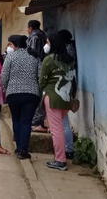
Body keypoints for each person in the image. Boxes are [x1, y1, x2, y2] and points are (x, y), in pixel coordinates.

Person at [39, 33, 77, 171]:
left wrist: (43, 90)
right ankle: (68, 151)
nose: (46, 44)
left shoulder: (49, 60)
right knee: (63, 125)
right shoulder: (70, 60)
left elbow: (42, 80)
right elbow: (72, 79)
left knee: (56, 130)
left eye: (48, 42)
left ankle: (60, 160)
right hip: (66, 97)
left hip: (53, 97)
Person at [1, 35, 41, 160]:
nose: (10, 47)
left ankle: (19, 148)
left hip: (13, 94)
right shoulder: (35, 57)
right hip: (31, 94)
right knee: (26, 122)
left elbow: (4, 76)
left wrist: (7, 88)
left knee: (16, 120)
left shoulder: (11, 56)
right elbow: (40, 76)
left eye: (11, 44)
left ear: (15, 45)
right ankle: (24, 150)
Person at [57, 29, 77, 160]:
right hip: (68, 87)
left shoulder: (65, 53)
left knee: (62, 123)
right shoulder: (71, 49)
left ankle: (67, 150)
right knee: (64, 122)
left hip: (62, 89)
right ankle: (68, 149)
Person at [27, 20, 48, 133]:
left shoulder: (34, 36)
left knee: (37, 94)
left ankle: (36, 120)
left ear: (30, 28)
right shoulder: (44, 35)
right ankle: (39, 119)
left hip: (38, 68)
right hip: (43, 67)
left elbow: (33, 53)